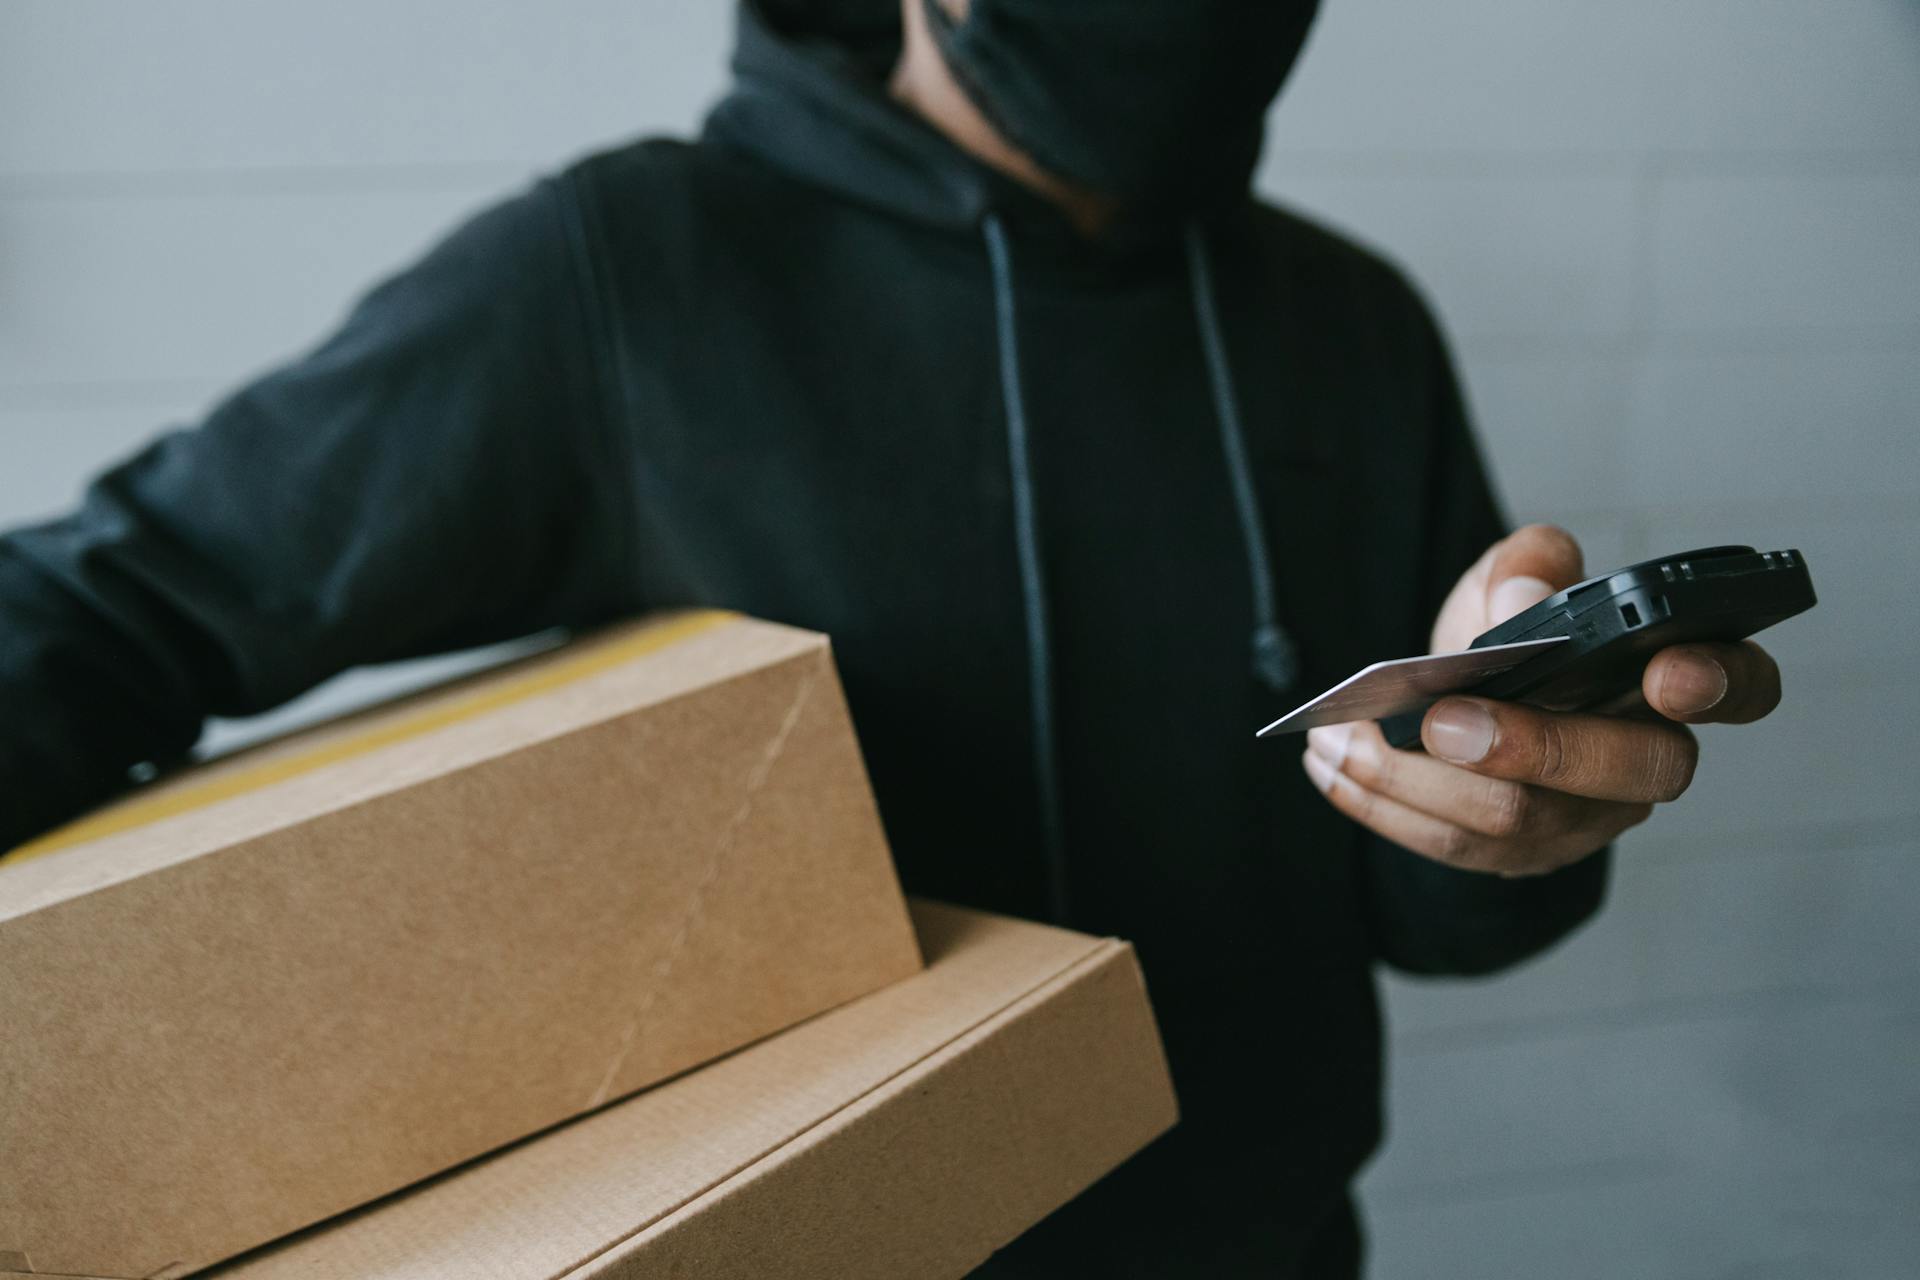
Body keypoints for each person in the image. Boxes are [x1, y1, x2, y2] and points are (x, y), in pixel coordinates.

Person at [0, 1, 1783, 1274]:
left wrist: (1521, 827)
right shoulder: (619, 272)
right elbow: (95, 609)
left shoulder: (1352, 322)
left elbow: (1437, 929)